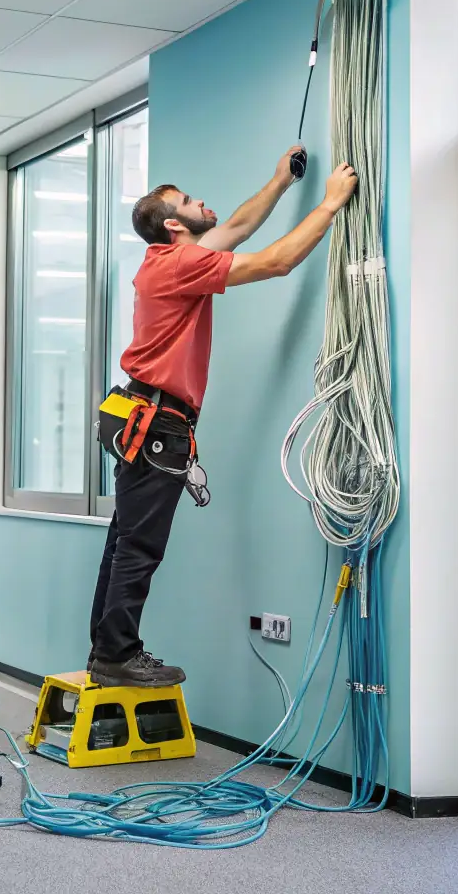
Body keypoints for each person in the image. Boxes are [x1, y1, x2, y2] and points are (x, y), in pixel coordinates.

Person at [88, 148, 359, 688]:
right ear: (172, 224)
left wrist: (280, 181)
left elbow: (236, 225)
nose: (201, 202)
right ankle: (117, 654)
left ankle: (108, 650)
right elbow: (276, 261)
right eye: (189, 201)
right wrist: (329, 205)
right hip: (157, 424)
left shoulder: (167, 262)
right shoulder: (182, 263)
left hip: (140, 414)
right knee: (139, 546)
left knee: (124, 541)